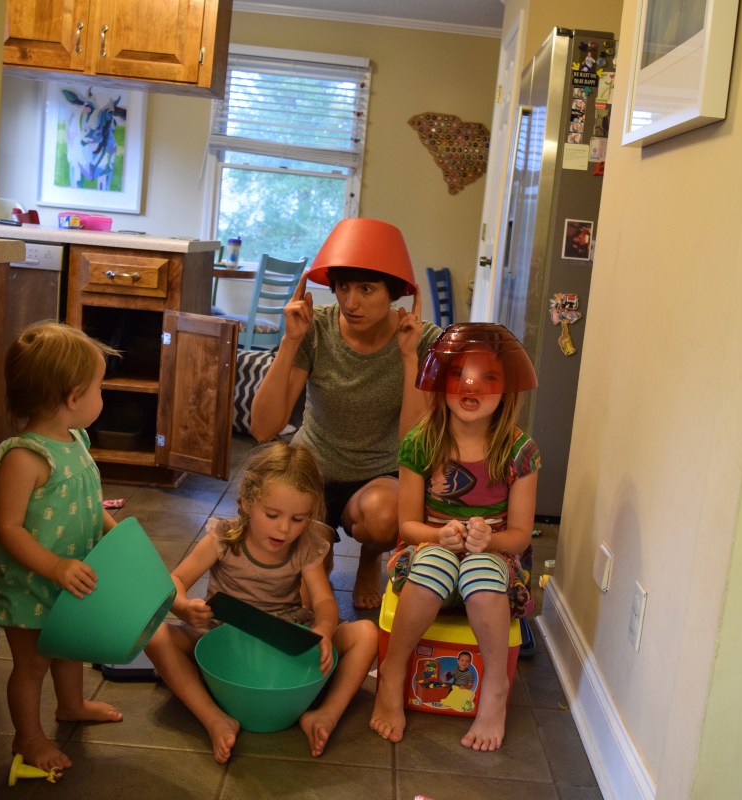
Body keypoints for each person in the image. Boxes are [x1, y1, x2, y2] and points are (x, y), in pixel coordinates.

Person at [249, 218, 444, 608]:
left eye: (366, 289)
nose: (350, 302)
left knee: (386, 517)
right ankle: (320, 544)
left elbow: (415, 443)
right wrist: (290, 341)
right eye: (343, 287)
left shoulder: (423, 340)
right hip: (312, 472)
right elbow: (263, 427)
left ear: (394, 292)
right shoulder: (316, 328)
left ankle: (370, 557)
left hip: (379, 480)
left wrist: (409, 358)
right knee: (304, 596)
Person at [143, 441, 378, 763]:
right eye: (272, 515)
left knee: (367, 633)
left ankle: (326, 714)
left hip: (284, 640)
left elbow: (324, 600)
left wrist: (324, 628)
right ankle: (214, 718)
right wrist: (182, 607)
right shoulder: (223, 538)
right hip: (221, 636)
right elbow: (175, 580)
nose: (284, 528)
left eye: (298, 519)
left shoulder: (306, 546)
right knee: (155, 635)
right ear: (247, 501)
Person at [370, 323, 541, 752]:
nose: (471, 386)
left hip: (494, 563)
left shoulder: (520, 451)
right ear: (441, 380)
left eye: (488, 377)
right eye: (459, 374)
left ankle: (496, 688)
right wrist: (437, 535)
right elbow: (407, 526)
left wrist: (491, 541)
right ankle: (392, 672)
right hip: (431, 551)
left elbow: (520, 536)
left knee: (481, 572)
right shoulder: (421, 442)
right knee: (434, 563)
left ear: (507, 388)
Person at [0, 322, 124, 773]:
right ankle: (28, 738)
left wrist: (113, 530)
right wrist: (55, 567)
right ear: (73, 397)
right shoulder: (25, 457)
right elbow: (8, 528)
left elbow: (87, 500)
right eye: (99, 387)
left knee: (70, 648)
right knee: (32, 665)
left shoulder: (76, 439)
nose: (102, 396)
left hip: (70, 577)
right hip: (32, 586)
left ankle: (71, 704)